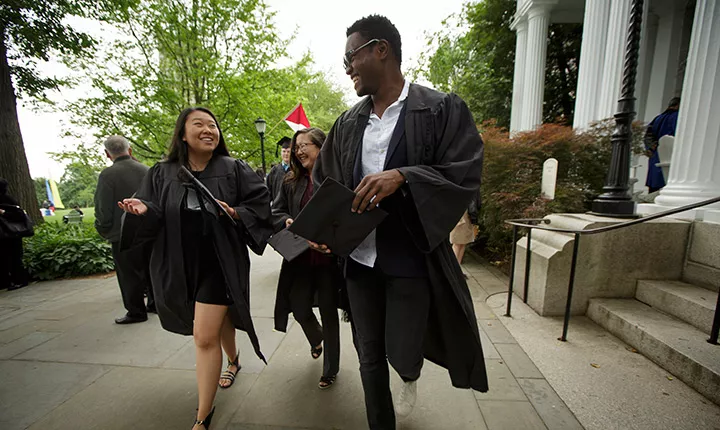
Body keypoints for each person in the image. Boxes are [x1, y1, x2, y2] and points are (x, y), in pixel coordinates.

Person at [312, 15, 488, 429]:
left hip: (409, 257)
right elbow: (327, 182)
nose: (347, 67)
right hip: (359, 259)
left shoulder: (439, 108)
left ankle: (409, 372)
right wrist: (321, 232)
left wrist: (405, 176)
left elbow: (463, 170)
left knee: (401, 351)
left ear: (381, 49)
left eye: (350, 56)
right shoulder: (348, 123)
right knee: (368, 353)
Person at [118, 107, 272, 430]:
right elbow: (155, 211)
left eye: (212, 125)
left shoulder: (233, 169)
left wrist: (236, 212)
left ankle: (203, 416)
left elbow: (260, 204)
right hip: (180, 262)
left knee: (203, 336)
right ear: (182, 135)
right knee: (220, 322)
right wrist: (143, 209)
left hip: (219, 261)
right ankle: (234, 359)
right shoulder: (161, 173)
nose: (208, 130)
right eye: (198, 124)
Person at [271, 127, 342, 390]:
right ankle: (316, 338)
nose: (299, 151)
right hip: (299, 259)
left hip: (328, 262)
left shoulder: (337, 179)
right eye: (296, 146)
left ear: (321, 147)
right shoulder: (290, 182)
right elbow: (275, 210)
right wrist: (286, 220)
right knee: (298, 307)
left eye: (305, 145)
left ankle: (330, 369)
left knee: (328, 312)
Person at [94, 135, 154, 324]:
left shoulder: (107, 175)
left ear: (107, 153)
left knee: (128, 273)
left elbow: (103, 207)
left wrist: (103, 227)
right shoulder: (147, 170)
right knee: (150, 268)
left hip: (122, 232)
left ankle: (136, 311)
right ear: (130, 150)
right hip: (148, 228)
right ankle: (155, 304)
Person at [645, 97, 680, 193]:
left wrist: (651, 149)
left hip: (657, 153)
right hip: (671, 152)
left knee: (654, 182)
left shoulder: (658, 118)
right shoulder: (678, 117)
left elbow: (648, 136)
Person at [0, 178, 30, 291]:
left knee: (14, 257)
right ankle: (6, 281)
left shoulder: (7, 200)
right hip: (6, 235)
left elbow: (18, 216)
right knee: (5, 258)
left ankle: (19, 280)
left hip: (11, 234)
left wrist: (3, 212)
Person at [450, 190, 481, 269]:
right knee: (457, 243)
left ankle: (457, 268)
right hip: (461, 214)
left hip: (468, 214)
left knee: (463, 243)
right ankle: (454, 269)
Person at [266, 137, 292, 203]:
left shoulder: (296, 169)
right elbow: (268, 190)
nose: (286, 154)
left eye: (288, 151)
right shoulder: (274, 170)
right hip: (277, 207)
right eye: (284, 151)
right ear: (280, 152)